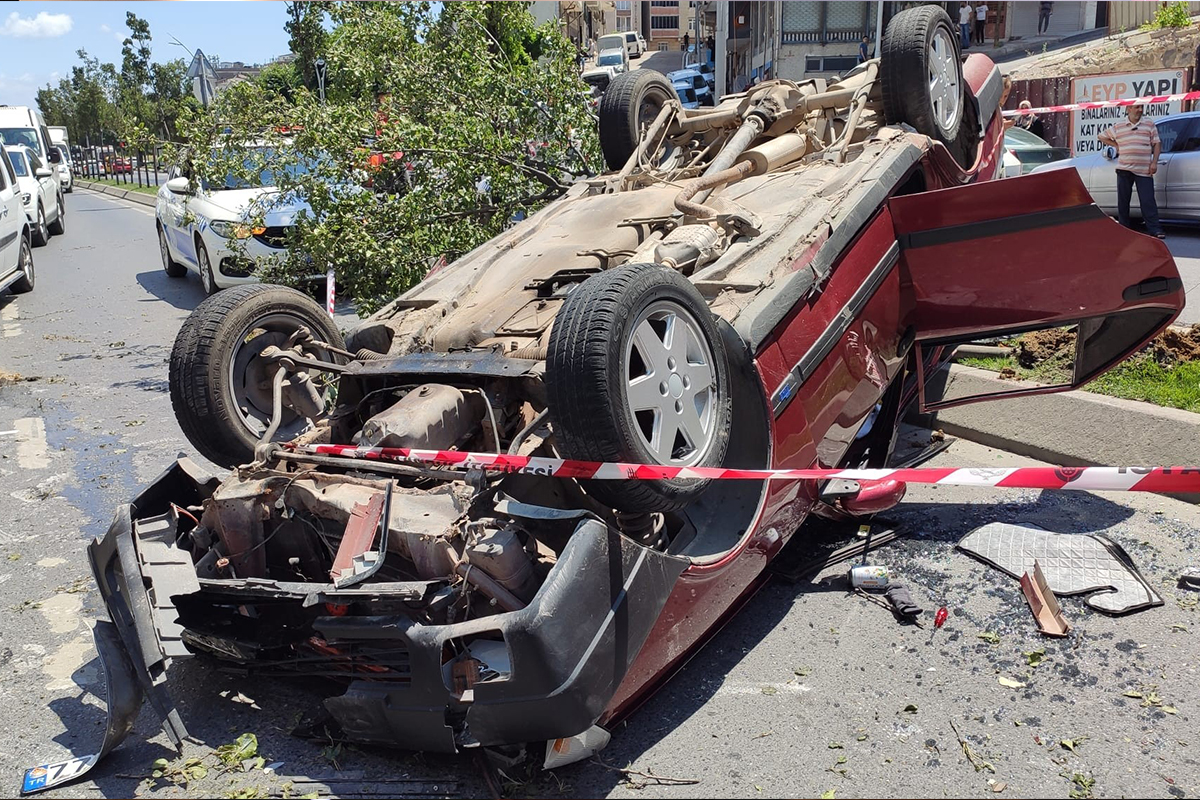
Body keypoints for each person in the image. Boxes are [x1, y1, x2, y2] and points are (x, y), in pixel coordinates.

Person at [1098, 105, 1166, 239]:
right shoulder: (1119, 126)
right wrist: (1116, 145)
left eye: (1141, 107)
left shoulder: (1149, 124)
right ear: (1128, 109)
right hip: (1124, 168)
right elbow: (1101, 136)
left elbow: (1157, 143)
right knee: (1123, 201)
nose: (1140, 110)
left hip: (1143, 170)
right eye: (1137, 107)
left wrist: (1154, 162)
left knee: (1147, 200)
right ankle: (1124, 228)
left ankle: (1155, 229)